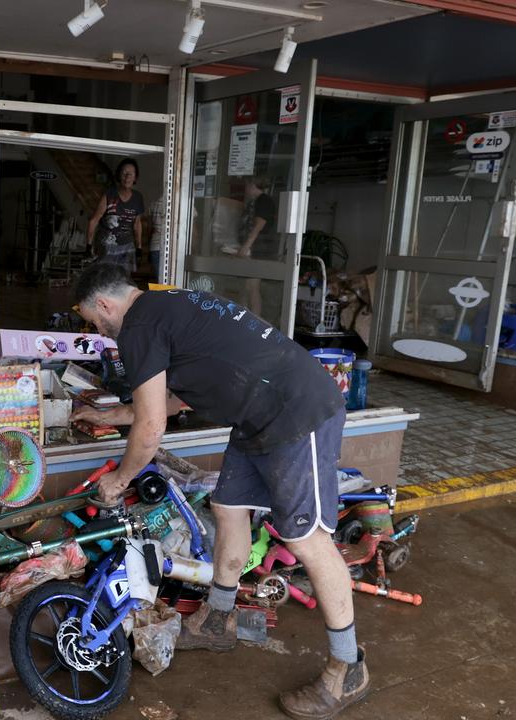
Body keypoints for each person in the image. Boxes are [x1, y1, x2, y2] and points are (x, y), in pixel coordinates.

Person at [69, 263, 368, 720]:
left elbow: (152, 429)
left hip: (296, 412)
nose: (101, 332)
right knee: (228, 508)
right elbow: (183, 393)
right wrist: (116, 416)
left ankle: (347, 667)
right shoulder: (165, 304)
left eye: (95, 322)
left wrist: (119, 479)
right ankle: (217, 621)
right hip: (257, 416)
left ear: (106, 305)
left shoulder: (138, 326)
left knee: (308, 541)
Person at [221, 176, 277, 315]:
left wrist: (245, 247)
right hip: (251, 250)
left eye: (247, 185)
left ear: (253, 185)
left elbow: (258, 225)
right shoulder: (255, 202)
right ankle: (246, 317)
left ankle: (253, 321)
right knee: (247, 287)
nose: (245, 189)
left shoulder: (264, 201)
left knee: (252, 287)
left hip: (256, 251)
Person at [86, 158, 145, 272]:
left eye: (130, 174)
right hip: (106, 246)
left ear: (135, 178)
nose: (127, 177)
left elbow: (137, 224)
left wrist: (139, 248)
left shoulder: (138, 198)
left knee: (122, 281)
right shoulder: (109, 194)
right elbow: (94, 220)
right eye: (124, 173)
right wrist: (88, 245)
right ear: (119, 175)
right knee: (105, 279)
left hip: (127, 248)